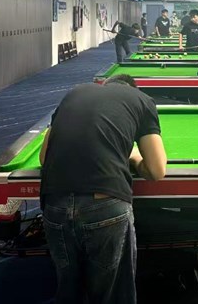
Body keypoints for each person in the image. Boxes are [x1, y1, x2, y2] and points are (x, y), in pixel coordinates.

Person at [39, 75, 167, 304]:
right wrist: (134, 158)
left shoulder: (75, 92)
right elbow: (157, 170)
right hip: (105, 203)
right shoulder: (141, 99)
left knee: (69, 292)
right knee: (114, 296)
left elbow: (43, 158)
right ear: (132, 88)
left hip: (55, 205)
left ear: (104, 86)